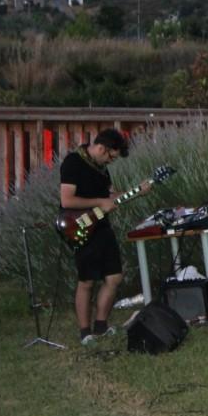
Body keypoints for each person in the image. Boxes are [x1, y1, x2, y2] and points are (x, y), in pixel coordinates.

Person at [60, 129, 150, 346]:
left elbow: (111, 197)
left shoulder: (101, 169)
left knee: (114, 277)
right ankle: (85, 332)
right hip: (81, 226)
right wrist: (100, 202)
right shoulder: (73, 162)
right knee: (87, 280)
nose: (111, 161)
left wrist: (137, 191)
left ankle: (101, 326)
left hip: (102, 225)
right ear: (102, 148)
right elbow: (67, 200)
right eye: (112, 156)